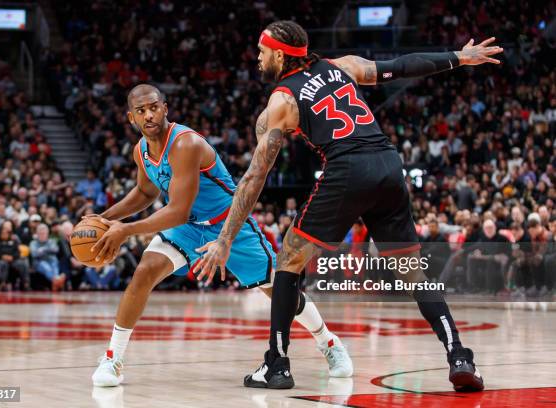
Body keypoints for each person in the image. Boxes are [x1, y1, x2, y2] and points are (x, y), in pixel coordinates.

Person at [196, 20, 502, 391]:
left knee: (288, 261)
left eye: (262, 52)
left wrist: (226, 238)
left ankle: (276, 365)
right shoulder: (342, 66)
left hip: (347, 169)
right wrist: (459, 57)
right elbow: (403, 65)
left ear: (279, 54)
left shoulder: (281, 101)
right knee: (410, 272)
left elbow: (254, 178)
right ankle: (459, 356)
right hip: (388, 164)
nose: (258, 59)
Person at [89, 84, 352, 387]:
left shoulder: (185, 144)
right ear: (131, 118)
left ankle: (329, 343)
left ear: (165, 108)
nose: (148, 115)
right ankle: (113, 358)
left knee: (279, 292)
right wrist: (105, 218)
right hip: (189, 228)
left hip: (229, 225)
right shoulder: (141, 151)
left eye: (153, 107)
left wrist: (127, 230)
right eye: (141, 111)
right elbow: (145, 191)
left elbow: (177, 211)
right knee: (144, 271)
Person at [30, 223, 65, 291]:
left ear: (47, 233)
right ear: (37, 234)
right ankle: (57, 280)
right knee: (45, 266)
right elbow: (34, 254)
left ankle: (55, 282)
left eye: (44, 233)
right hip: (39, 263)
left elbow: (56, 250)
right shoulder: (33, 243)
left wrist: (43, 249)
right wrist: (48, 250)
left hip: (51, 261)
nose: (42, 235)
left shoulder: (51, 241)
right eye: (40, 233)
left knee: (54, 262)